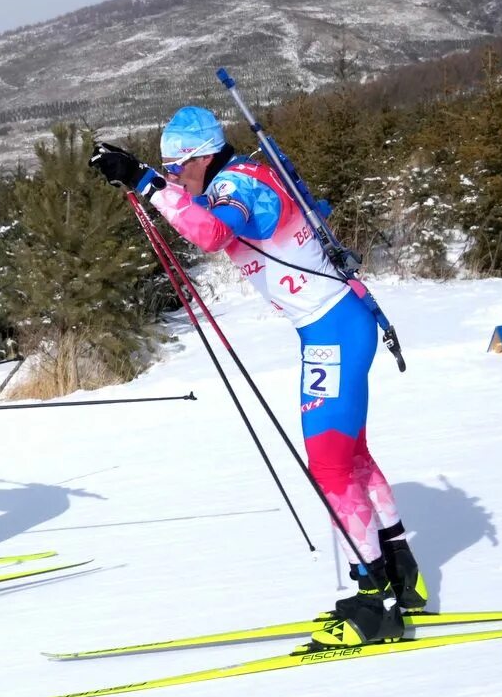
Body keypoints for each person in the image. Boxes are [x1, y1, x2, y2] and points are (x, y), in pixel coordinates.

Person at [91, 109, 423, 647]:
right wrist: (142, 175)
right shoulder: (230, 175)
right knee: (351, 458)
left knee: (331, 467)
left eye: (178, 168)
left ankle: (375, 604)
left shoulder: (242, 186)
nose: (176, 179)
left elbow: (211, 231)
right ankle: (402, 576)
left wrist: (147, 183)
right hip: (332, 327)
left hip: (332, 331)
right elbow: (198, 210)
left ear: (200, 158)